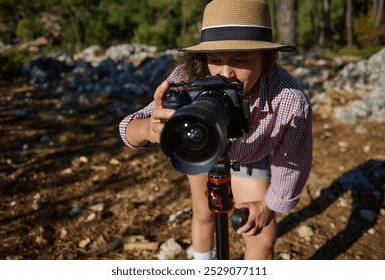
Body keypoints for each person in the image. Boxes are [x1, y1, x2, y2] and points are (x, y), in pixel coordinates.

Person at [119, 0, 312, 260]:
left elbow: (293, 164)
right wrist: (149, 130)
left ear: (266, 58)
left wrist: (267, 206)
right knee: (204, 214)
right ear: (203, 58)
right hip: (202, 146)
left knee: (260, 233)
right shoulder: (188, 78)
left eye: (240, 59)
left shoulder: (289, 100)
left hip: (251, 157)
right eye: (215, 59)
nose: (226, 72)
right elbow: (129, 128)